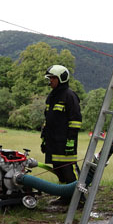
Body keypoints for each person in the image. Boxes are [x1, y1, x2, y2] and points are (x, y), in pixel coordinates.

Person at [40, 65, 82, 194]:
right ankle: (64, 197)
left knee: (69, 171)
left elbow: (75, 120)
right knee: (58, 171)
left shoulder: (69, 96)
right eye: (50, 78)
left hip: (65, 142)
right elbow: (48, 120)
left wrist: (70, 141)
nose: (50, 80)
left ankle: (79, 198)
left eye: (53, 78)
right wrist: (44, 139)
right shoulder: (51, 96)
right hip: (52, 143)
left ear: (61, 78)